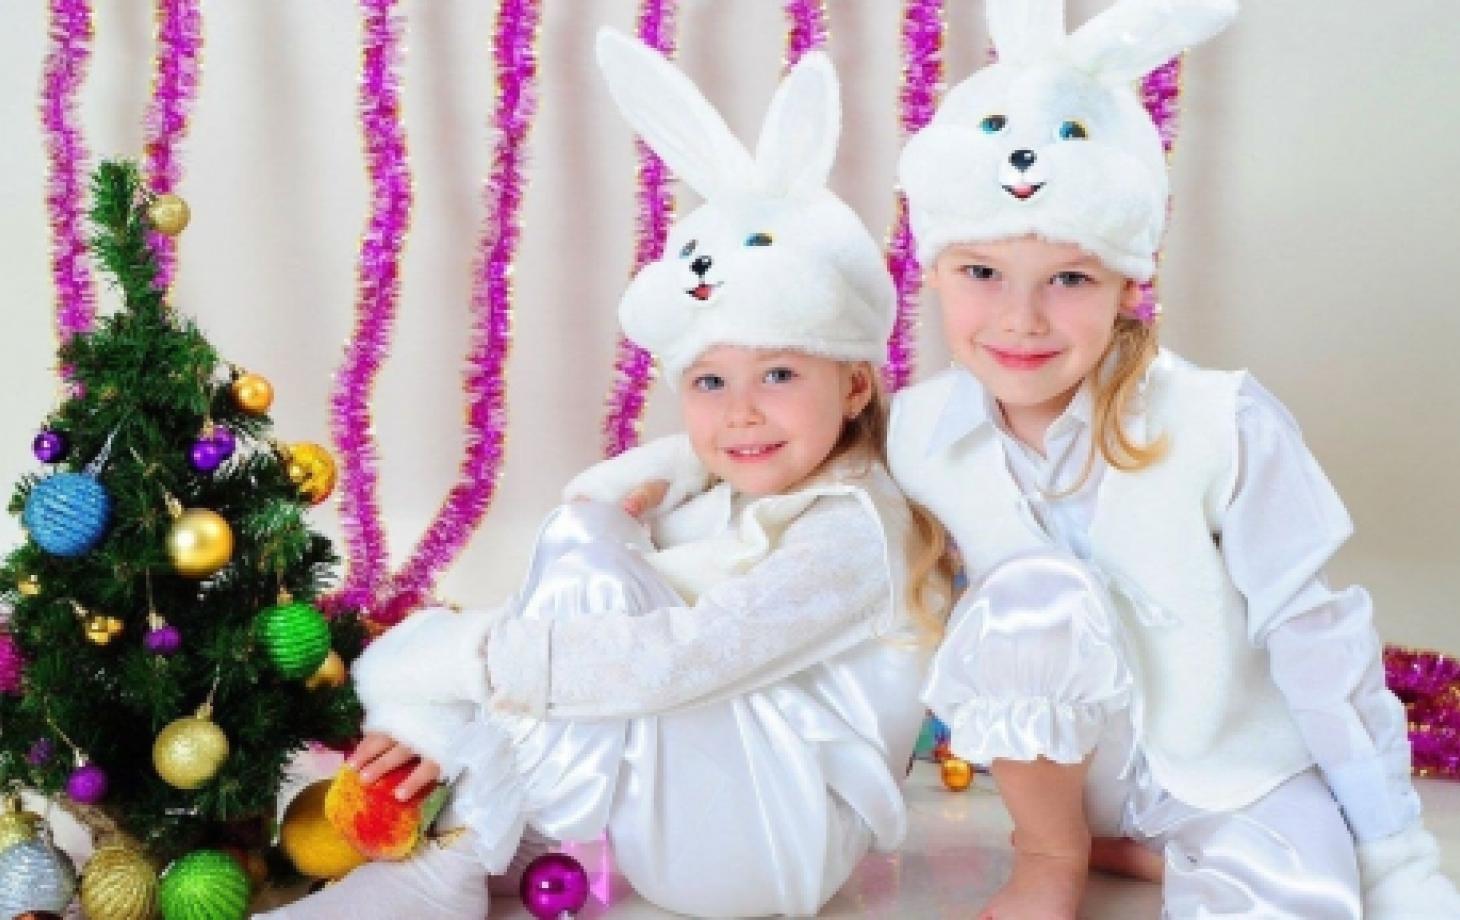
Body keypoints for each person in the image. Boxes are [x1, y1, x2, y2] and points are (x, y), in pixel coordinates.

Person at [572, 1, 1460, 916]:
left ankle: (1169, 854)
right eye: (982, 273)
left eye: (1069, 278)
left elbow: (1319, 641)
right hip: (1068, 785)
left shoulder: (1222, 422)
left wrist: (1394, 853)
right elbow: (787, 441)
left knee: (1309, 898)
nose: (1020, 320)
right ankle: (1056, 855)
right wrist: (632, 489)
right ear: (934, 271)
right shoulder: (919, 432)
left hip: (1235, 772)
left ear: (1128, 282)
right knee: (1036, 596)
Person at [261, 29, 950, 919]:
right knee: (586, 539)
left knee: (588, 556)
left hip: (774, 844)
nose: (741, 412)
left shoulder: (855, 526)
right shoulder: (728, 492)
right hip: (723, 806)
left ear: (854, 384)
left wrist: (459, 660)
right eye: (710, 382)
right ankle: (485, 821)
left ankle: (458, 855)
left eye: (779, 374)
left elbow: (681, 658)